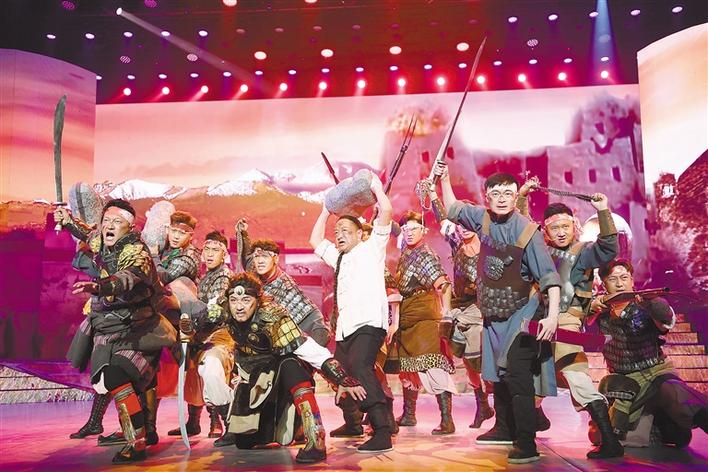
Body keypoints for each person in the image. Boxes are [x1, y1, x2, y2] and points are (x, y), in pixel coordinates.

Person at [433, 162, 561, 464]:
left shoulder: (528, 231)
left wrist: (553, 315)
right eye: (496, 193)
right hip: (493, 313)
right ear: (487, 196)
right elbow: (452, 209)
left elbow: (549, 276)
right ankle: (504, 428)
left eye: (508, 193)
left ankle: (526, 441)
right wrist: (445, 179)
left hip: (521, 313)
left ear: (516, 196)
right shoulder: (483, 218)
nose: (502, 198)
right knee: (496, 376)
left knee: (517, 374)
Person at [61, 199, 177, 463]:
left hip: (138, 331)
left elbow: (127, 277)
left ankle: (137, 441)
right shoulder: (102, 240)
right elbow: (88, 233)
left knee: (116, 375)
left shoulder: (137, 252)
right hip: (110, 329)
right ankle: (144, 432)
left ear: (130, 228)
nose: (109, 227)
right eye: (106, 222)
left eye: (117, 222)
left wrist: (100, 287)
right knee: (110, 379)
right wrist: (67, 221)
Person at [517, 178, 624, 458]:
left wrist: (603, 211)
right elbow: (523, 229)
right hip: (540, 323)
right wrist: (522, 196)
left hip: (565, 322)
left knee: (576, 377)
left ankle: (610, 441)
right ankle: (535, 421)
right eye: (555, 228)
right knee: (531, 377)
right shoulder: (542, 251)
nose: (561, 232)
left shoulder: (582, 252)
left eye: (565, 226)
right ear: (547, 230)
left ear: (573, 226)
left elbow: (609, 249)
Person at [223, 273, 367, 463]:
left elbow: (307, 349)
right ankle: (293, 427)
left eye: (246, 300)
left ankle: (315, 438)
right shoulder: (223, 311)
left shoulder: (273, 318)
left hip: (277, 376)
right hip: (251, 379)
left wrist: (341, 377)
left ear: (257, 300)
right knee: (244, 442)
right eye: (234, 300)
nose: (239, 306)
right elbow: (198, 324)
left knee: (290, 363)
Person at [309, 170, 395, 453]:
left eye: (346, 231)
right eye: (337, 233)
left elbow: (386, 212)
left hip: (369, 324)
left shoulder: (372, 249)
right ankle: (354, 422)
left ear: (360, 233)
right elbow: (315, 240)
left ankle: (382, 430)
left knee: (360, 368)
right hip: (346, 328)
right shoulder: (339, 257)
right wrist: (326, 210)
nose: (339, 236)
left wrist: (376, 188)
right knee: (341, 373)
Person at [592, 260, 707, 448]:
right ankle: (660, 426)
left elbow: (666, 319)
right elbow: (577, 314)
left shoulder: (646, 306)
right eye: (613, 279)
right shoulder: (599, 312)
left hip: (654, 374)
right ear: (604, 284)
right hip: (624, 384)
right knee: (600, 435)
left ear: (632, 281)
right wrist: (593, 305)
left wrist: (653, 303)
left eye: (624, 278)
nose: (619, 284)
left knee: (675, 393)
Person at [387, 210, 457, 436]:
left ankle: (447, 420)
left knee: (433, 365)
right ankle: (409, 414)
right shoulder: (407, 249)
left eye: (414, 229)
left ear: (424, 231)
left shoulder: (425, 255)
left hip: (425, 317)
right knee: (408, 367)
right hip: (407, 315)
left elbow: (443, 284)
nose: (409, 233)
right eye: (406, 229)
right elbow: (396, 231)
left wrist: (447, 313)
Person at [167, 231, 236, 445]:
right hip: (202, 334)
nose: (210, 254)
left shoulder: (224, 277)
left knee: (211, 371)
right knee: (193, 373)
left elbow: (213, 310)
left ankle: (223, 423)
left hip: (219, 336)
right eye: (207, 249)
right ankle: (194, 421)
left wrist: (191, 323)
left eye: (215, 250)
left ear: (224, 254)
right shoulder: (206, 276)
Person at [236, 220, 331, 347]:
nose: (260, 261)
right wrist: (243, 233)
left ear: (275, 259)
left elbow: (310, 314)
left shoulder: (286, 286)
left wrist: (317, 346)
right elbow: (247, 257)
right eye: (257, 257)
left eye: (265, 257)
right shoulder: (254, 267)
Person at [440, 224, 494, 429]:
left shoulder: (488, 248)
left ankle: (500, 407)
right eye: (460, 225)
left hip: (481, 308)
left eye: (468, 224)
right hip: (460, 308)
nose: (464, 229)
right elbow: (442, 216)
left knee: (482, 357)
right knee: (467, 360)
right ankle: (483, 406)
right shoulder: (457, 246)